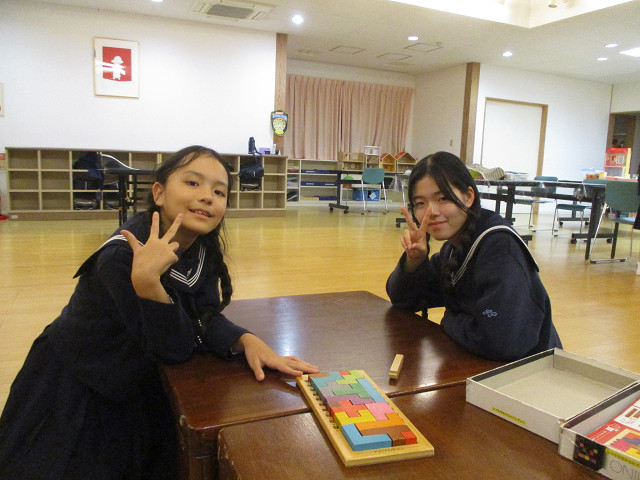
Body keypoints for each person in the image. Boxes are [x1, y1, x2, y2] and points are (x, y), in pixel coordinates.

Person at [0, 145, 319, 479]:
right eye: (192, 183)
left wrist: (245, 340)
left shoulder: (199, 245)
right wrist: (149, 285)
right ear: (159, 193)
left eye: (219, 191)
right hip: (85, 385)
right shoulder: (123, 257)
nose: (207, 196)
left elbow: (202, 315)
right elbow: (173, 349)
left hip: (140, 375)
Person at [386, 151, 562, 362]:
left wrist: (449, 319)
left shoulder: (500, 249)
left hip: (531, 373)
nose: (431, 211)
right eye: (420, 203)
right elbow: (403, 300)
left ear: (468, 197)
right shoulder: (453, 249)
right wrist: (414, 261)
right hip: (482, 367)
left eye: (443, 198)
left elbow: (499, 342)